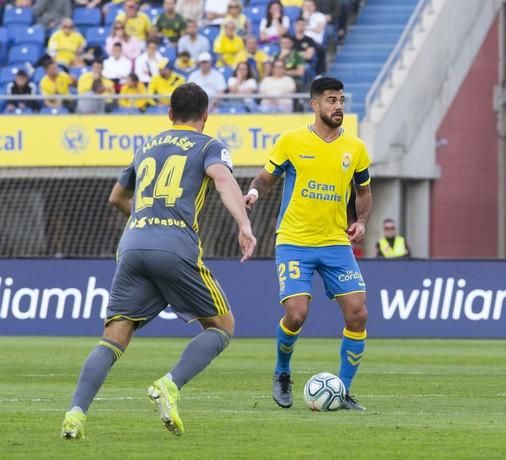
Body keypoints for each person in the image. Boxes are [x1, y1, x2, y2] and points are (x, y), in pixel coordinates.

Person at [61, 82, 256, 440]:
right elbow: (223, 179)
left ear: (169, 114)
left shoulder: (147, 145)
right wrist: (243, 224)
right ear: (205, 116)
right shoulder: (209, 145)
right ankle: (170, 384)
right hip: (175, 247)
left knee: (113, 338)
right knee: (222, 327)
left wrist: (143, 219)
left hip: (132, 244)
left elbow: (117, 196)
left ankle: (75, 414)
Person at [244, 77, 372, 411]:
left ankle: (342, 391)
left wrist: (361, 221)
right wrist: (254, 193)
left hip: (335, 243)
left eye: (341, 100)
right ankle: (282, 372)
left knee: (358, 314)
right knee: (297, 314)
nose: (338, 106)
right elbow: (266, 177)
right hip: (294, 241)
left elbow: (363, 191)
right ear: (314, 104)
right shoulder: (291, 141)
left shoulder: (355, 148)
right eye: (331, 100)